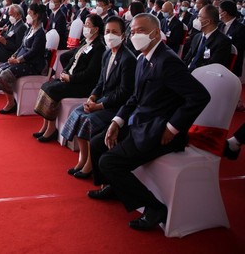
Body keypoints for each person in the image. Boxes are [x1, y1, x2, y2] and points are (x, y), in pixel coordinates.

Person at [87, 13, 210, 231]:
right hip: (141, 122)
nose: (135, 36)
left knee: (109, 162)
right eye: (132, 32)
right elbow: (135, 98)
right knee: (98, 142)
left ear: (155, 32)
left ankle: (154, 208)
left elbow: (199, 96)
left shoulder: (168, 60)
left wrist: (173, 127)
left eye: (141, 31)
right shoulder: (143, 58)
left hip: (159, 130)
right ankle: (114, 187)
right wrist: (117, 121)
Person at [61, 17, 136, 179]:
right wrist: (92, 97)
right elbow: (101, 81)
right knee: (77, 113)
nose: (110, 35)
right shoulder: (107, 53)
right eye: (108, 31)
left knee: (88, 120)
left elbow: (124, 93)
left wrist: (99, 106)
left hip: (115, 106)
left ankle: (90, 164)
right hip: (102, 100)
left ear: (123, 35)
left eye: (115, 32)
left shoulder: (128, 59)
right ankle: (82, 158)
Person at [33, 14, 106, 143]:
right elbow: (71, 59)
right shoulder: (86, 41)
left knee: (52, 90)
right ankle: (45, 125)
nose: (85, 28)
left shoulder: (99, 47)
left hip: (84, 84)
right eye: (85, 25)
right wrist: (65, 72)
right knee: (46, 86)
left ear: (96, 29)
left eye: (88, 25)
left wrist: (71, 78)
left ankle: (51, 129)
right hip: (72, 78)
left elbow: (90, 73)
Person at [0, 3, 48, 114]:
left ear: (36, 15)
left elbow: (33, 52)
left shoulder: (40, 34)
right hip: (22, 60)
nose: (27, 15)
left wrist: (18, 60)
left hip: (32, 64)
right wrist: (14, 55)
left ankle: (11, 103)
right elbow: (22, 46)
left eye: (29, 13)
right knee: (0, 68)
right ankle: (4, 96)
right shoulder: (30, 29)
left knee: (6, 73)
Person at [183, 4, 232, 72]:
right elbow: (187, 59)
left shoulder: (223, 41)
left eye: (199, 16)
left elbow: (211, 67)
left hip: (203, 76)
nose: (196, 19)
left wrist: (190, 72)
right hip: (187, 73)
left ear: (207, 21)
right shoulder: (197, 36)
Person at [219, 0, 245, 76]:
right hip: (219, 58)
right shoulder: (220, 25)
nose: (218, 13)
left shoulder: (240, 28)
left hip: (231, 63)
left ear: (224, 13)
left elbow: (237, 49)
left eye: (219, 11)